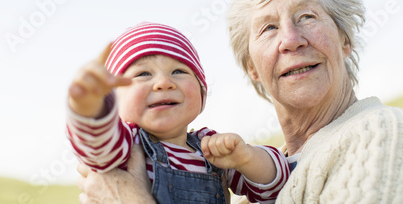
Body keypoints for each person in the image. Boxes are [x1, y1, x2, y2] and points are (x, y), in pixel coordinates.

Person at [76, 0, 403, 204]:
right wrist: (91, 105)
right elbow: (96, 138)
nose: (291, 39)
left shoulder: (386, 136)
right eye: (268, 28)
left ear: (344, 40)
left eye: (306, 16)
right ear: (252, 69)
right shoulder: (252, 170)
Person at [67, 22, 290, 204]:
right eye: (143, 74)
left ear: (202, 94)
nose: (164, 82)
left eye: (178, 71)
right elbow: (96, 142)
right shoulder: (126, 145)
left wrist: (247, 158)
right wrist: (87, 107)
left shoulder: (210, 149)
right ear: (114, 100)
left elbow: (274, 187)